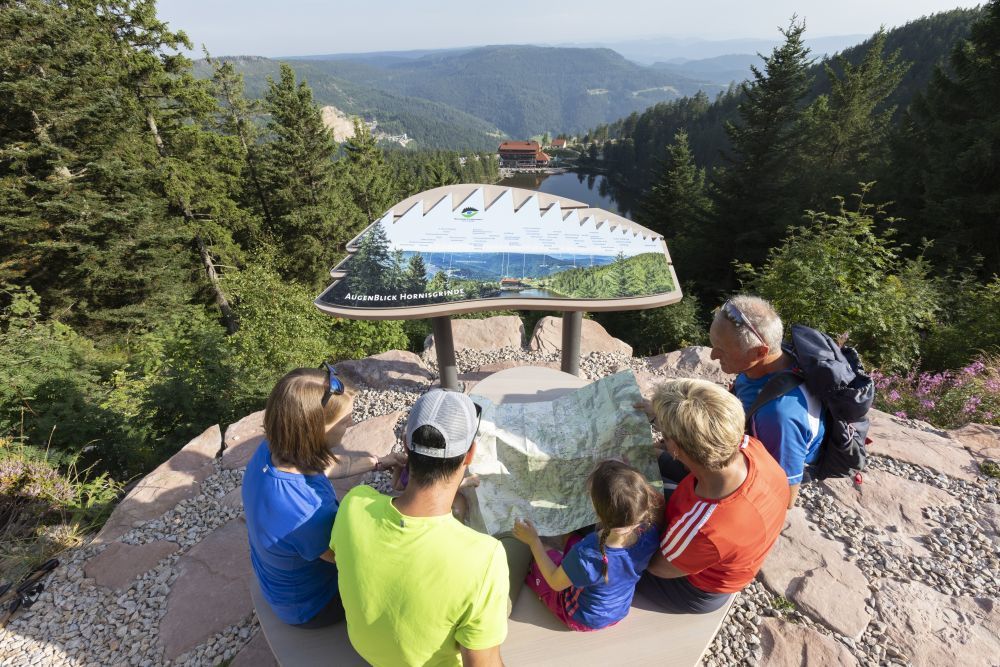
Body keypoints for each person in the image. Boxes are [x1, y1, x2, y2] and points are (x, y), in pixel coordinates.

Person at [330, 389, 509, 667]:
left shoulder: (354, 504)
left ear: (405, 445)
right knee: (512, 562)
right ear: (470, 454)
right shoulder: (486, 558)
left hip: (368, 651)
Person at [241, 364, 403, 628]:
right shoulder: (307, 511)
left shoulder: (272, 449)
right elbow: (353, 560)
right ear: (315, 431)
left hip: (278, 582)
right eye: (344, 420)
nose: (351, 423)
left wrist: (378, 462)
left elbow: (323, 464)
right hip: (311, 605)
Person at [637, 379, 789, 614]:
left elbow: (657, 566)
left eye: (664, 435)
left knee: (601, 522)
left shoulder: (704, 526)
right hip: (714, 517)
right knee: (643, 458)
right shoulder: (747, 446)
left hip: (690, 588)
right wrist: (659, 420)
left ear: (675, 448)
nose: (660, 438)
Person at [512, 459, 663, 631]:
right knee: (571, 541)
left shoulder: (589, 554)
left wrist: (534, 542)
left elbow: (555, 582)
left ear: (597, 512)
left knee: (542, 557)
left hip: (581, 617)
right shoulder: (649, 534)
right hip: (618, 609)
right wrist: (628, 477)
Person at [709, 295, 824, 508]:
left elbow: (785, 498)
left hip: (766, 460)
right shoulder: (762, 366)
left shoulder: (778, 416)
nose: (713, 356)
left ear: (760, 352)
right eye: (713, 344)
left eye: (721, 350)